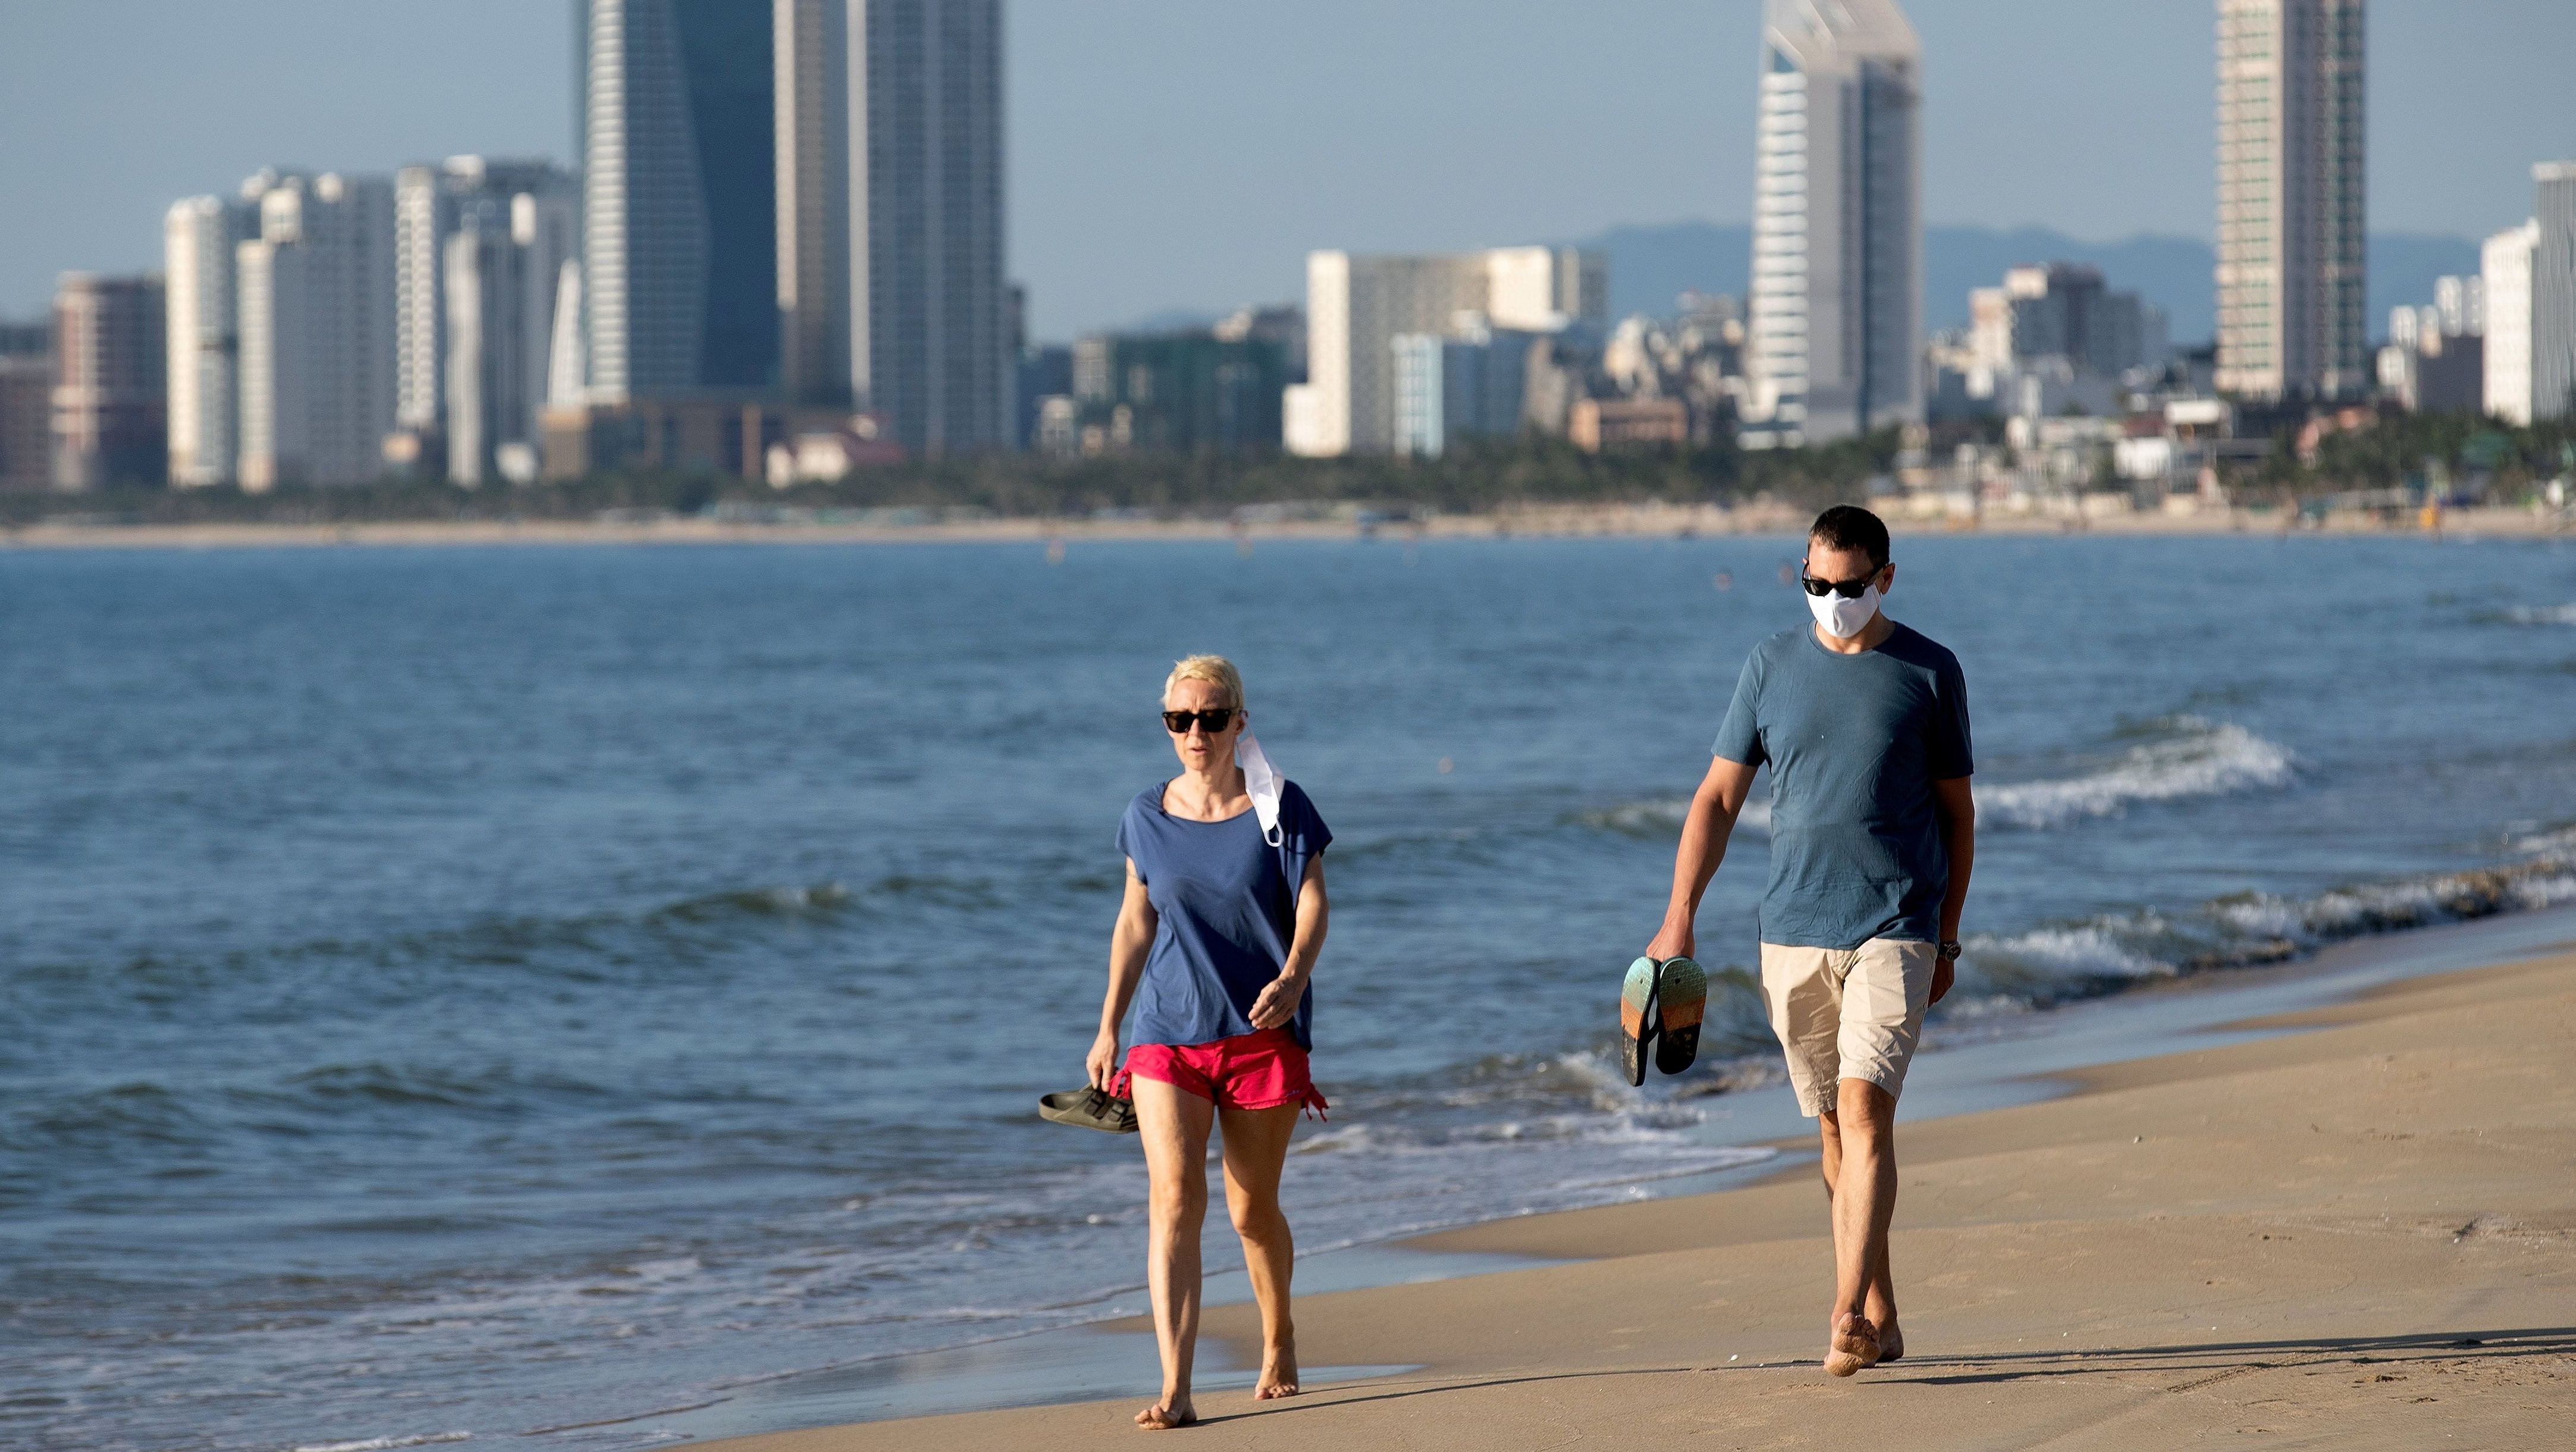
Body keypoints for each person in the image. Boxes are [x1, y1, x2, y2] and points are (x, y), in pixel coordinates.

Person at [1645, 504, 1975, 1378]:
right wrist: (1680, 914)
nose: (1831, 600)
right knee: (1834, 1127)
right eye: (1816, 585)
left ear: (1886, 580)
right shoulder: (1768, 666)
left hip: (1896, 924)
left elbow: (1958, 815)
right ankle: (1882, 1309)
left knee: (1866, 1110)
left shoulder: (1930, 671)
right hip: (1791, 929)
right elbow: (1716, 799)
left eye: (1850, 586)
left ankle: (1842, 1314)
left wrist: (1945, 938)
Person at [1088, 655, 1332, 1429]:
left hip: (1259, 1032)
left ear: (1239, 721)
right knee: (1174, 1199)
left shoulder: (1279, 807)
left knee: (1251, 1210)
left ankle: (1279, 1335)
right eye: (1180, 719)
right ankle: (1177, 1386)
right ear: (1167, 724)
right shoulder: (1145, 815)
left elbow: (1314, 901)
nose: (1196, 731)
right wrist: (1109, 1025)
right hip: (1167, 1034)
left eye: (1212, 716)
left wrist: (1294, 977)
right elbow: (1135, 921)